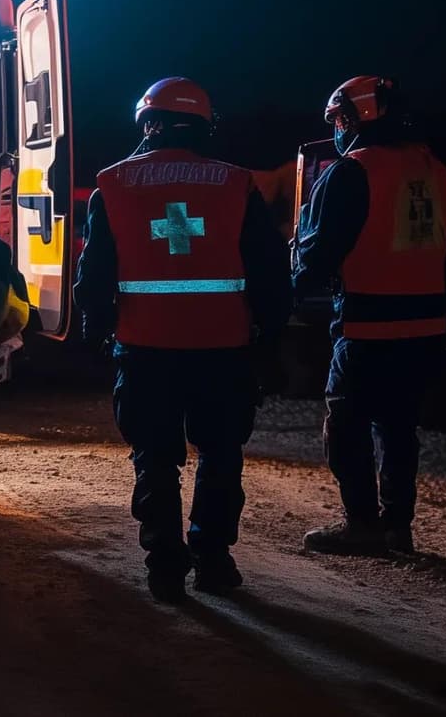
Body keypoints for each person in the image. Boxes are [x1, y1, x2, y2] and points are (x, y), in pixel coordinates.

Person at [73, 77, 290, 602]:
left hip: (145, 345)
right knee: (221, 454)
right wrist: (270, 332)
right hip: (224, 346)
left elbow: (95, 272)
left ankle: (165, 567)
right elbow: (268, 268)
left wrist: (96, 329)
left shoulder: (114, 185)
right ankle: (213, 560)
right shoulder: (237, 183)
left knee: (154, 455)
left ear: (147, 125)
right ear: (204, 126)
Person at [293, 76, 446, 556]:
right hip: (426, 331)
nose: (335, 128)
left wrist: (290, 286)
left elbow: (316, 256)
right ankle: (398, 527)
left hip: (364, 327)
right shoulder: (435, 170)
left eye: (338, 119)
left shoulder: (351, 171)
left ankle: (362, 524)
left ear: (358, 119)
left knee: (346, 426)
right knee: (398, 428)